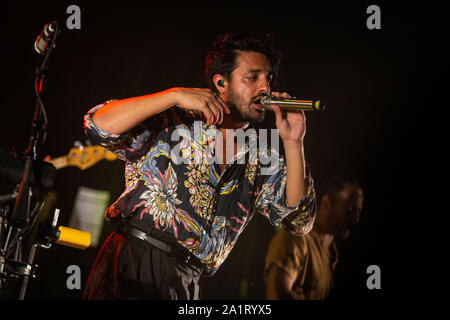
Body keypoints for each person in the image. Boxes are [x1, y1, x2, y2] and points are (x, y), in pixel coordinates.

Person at [82, 31, 317, 300]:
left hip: (187, 281)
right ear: (221, 82)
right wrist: (173, 95)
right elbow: (97, 125)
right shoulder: (175, 120)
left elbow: (299, 220)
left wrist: (294, 142)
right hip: (133, 258)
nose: (265, 87)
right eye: (253, 77)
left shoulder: (259, 156)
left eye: (268, 78)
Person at [264, 174, 363, 300]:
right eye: (349, 208)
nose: (355, 219)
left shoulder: (331, 253)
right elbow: (276, 295)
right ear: (327, 203)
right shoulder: (298, 238)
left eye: (357, 211)